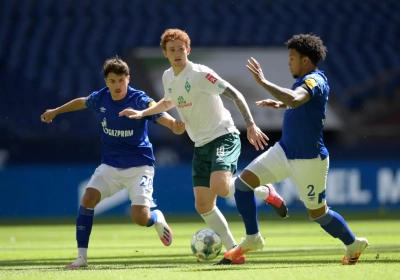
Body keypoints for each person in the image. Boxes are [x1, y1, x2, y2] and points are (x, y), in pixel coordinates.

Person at [119, 29, 287, 265]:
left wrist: (250, 125)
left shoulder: (200, 74)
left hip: (223, 136)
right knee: (203, 204)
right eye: (172, 50)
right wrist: (143, 113)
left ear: (188, 50)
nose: (177, 53)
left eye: (181, 49)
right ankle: (233, 250)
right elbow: (168, 101)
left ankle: (264, 191)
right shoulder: (168, 76)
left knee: (220, 187)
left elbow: (235, 94)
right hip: (200, 144)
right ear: (165, 53)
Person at [219, 34, 369, 265]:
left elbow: (297, 99)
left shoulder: (315, 80)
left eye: (292, 58)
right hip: (283, 151)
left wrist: (263, 83)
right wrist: (280, 104)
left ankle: (353, 244)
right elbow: (297, 103)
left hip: (309, 160)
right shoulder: (303, 81)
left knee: (318, 213)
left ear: (306, 60)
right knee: (242, 184)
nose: (289, 62)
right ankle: (252, 238)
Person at [40, 56, 186, 268]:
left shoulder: (139, 99)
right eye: (112, 81)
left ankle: (156, 217)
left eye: (120, 80)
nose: (117, 85)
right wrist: (56, 111)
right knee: (88, 197)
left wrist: (173, 124)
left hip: (139, 166)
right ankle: (81, 257)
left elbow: (157, 112)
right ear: (106, 82)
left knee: (140, 217)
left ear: (128, 78)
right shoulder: (100, 98)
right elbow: (81, 101)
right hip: (110, 165)